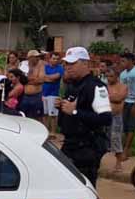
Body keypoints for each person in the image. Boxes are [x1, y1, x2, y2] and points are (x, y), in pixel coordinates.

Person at [55, 47, 112, 187]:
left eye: (72, 63)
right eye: (67, 64)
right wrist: (62, 107)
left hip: (87, 148)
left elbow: (106, 118)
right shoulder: (73, 85)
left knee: (84, 189)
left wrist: (75, 112)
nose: (68, 67)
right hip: (70, 144)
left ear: (85, 63)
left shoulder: (96, 87)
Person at [105, 67, 128, 173]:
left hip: (116, 116)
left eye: (111, 76)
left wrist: (107, 96)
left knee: (116, 138)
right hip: (104, 115)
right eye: (107, 76)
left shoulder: (123, 87)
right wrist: (111, 96)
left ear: (117, 76)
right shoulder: (104, 86)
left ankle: (118, 162)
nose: (109, 78)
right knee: (103, 138)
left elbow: (118, 98)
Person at [41, 52, 64, 137]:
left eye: (57, 59)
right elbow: (42, 77)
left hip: (54, 93)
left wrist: (46, 78)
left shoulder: (60, 68)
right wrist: (48, 78)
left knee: (53, 114)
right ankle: (45, 132)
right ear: (50, 59)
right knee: (45, 114)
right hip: (44, 93)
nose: (55, 60)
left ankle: (53, 132)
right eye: (53, 58)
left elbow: (56, 77)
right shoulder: (45, 67)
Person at [20, 50, 45, 119]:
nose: (38, 58)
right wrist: (33, 79)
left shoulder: (40, 66)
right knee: (24, 116)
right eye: (36, 57)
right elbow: (21, 79)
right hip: (25, 96)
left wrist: (27, 80)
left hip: (36, 96)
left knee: (37, 117)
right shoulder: (23, 66)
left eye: (38, 57)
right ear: (30, 58)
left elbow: (41, 80)